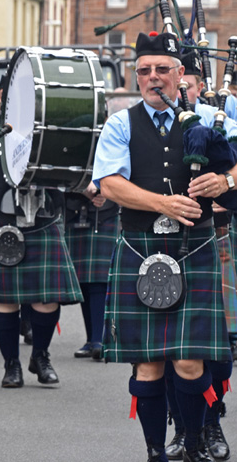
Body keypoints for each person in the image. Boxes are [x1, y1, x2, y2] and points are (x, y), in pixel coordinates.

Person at [94, 32, 237, 462]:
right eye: (144, 70)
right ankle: (156, 451)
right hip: (141, 248)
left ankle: (193, 443)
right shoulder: (121, 123)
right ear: (135, 76)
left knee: (191, 362)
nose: (152, 77)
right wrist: (163, 203)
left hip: (195, 247)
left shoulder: (211, 117)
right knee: (148, 364)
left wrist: (225, 180)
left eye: (161, 69)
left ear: (180, 74)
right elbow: (110, 184)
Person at [0, 73, 82, 389]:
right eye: (7, 96)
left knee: (47, 300)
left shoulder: (48, 131)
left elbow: (73, 164)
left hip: (42, 220)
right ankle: (11, 365)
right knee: (4, 301)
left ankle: (41, 356)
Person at [162, 48, 234, 461]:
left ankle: (212, 420)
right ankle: (183, 426)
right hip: (163, 243)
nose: (180, 90)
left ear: (197, 84)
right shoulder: (145, 124)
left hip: (216, 237)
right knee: (172, 349)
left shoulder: (219, 118)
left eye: (186, 83)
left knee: (218, 349)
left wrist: (226, 181)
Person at [64, 183, 118, 362]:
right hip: (73, 208)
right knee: (83, 280)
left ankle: (98, 340)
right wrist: (80, 187)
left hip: (107, 210)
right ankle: (91, 340)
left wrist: (106, 189)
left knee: (99, 278)